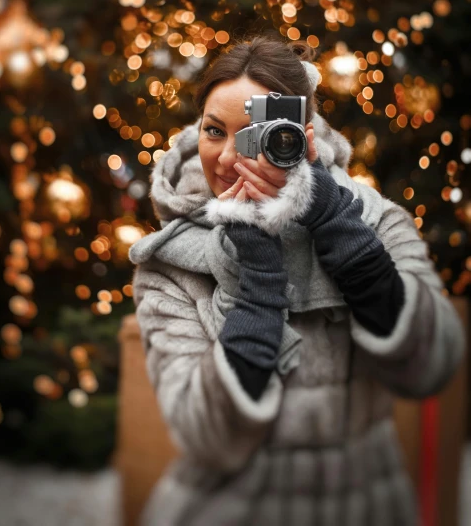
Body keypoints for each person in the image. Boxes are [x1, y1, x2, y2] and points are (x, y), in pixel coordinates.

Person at [128, 33, 465, 526]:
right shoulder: (169, 260)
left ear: (299, 136)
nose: (226, 160)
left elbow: (432, 365)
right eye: (214, 131)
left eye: (253, 135)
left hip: (365, 504)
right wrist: (259, 283)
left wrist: (338, 226)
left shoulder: (373, 220)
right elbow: (208, 438)